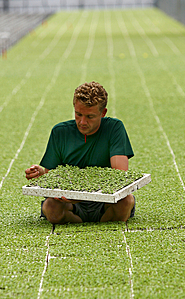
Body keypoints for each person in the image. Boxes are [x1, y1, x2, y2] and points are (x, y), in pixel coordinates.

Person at [25, 81, 135, 224]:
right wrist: (39, 172)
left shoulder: (114, 128)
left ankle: (96, 219)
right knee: (50, 207)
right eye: (78, 114)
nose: (82, 122)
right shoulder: (60, 132)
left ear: (103, 113)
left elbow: (119, 176)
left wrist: (82, 193)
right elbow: (51, 173)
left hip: (105, 200)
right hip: (69, 203)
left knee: (126, 201)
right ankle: (80, 220)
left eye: (90, 117)